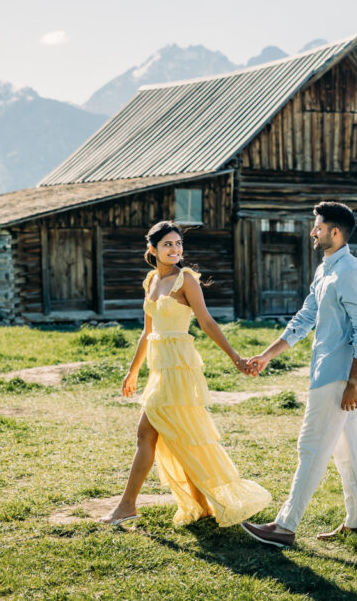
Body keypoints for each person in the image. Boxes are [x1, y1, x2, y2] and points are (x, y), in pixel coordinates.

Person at [101, 221, 271, 527]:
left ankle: (127, 505)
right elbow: (147, 331)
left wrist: (236, 357)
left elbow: (206, 322)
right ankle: (203, 505)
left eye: (178, 244)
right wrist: (132, 371)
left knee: (146, 434)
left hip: (179, 369)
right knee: (180, 438)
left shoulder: (186, 280)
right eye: (167, 244)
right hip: (158, 367)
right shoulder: (151, 280)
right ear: (151, 249)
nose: (175, 250)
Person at [241, 201, 357, 547]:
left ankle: (285, 526)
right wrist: (268, 355)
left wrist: (354, 383)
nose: (312, 232)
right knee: (346, 453)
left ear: (335, 231)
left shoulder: (351, 272)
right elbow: (304, 318)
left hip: (337, 377)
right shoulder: (325, 270)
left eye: (317, 226)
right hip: (323, 372)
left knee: (311, 447)